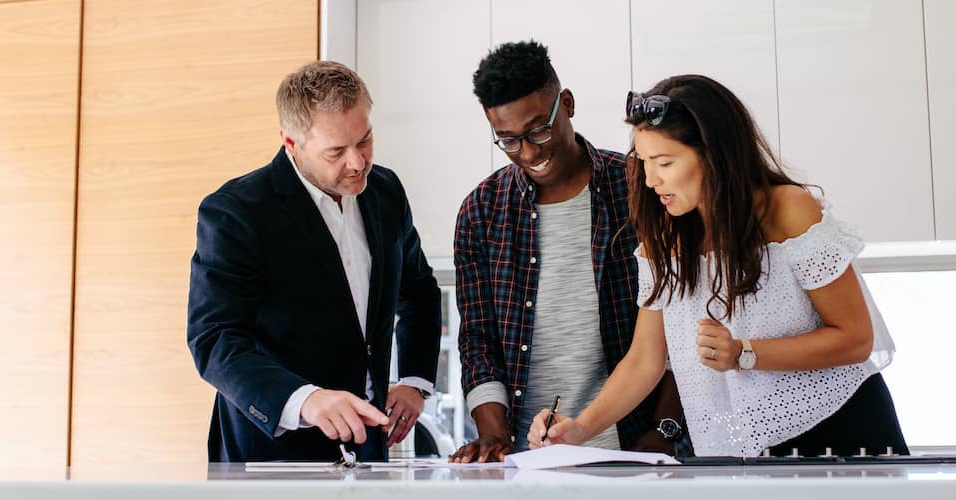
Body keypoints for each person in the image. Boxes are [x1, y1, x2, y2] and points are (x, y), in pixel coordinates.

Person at [527, 74, 908, 457]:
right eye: (643, 162)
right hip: (748, 450)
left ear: (713, 155)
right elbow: (646, 359)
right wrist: (580, 428)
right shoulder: (665, 238)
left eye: (664, 162)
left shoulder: (789, 211)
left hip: (841, 427)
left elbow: (857, 338)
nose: (651, 180)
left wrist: (745, 353)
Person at [187, 61, 441, 462]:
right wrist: (305, 400)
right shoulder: (236, 212)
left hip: (368, 447)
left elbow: (420, 290)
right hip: (268, 450)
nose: (357, 163)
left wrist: (414, 381)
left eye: (365, 139)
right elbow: (214, 339)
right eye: (336, 152)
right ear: (291, 143)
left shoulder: (386, 191)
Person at [450, 40, 687, 463]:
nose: (530, 152)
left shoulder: (642, 187)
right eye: (508, 140)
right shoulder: (481, 212)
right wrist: (493, 435)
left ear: (568, 104)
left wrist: (664, 431)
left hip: (638, 446)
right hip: (530, 456)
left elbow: (680, 326)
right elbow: (478, 340)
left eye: (539, 129)